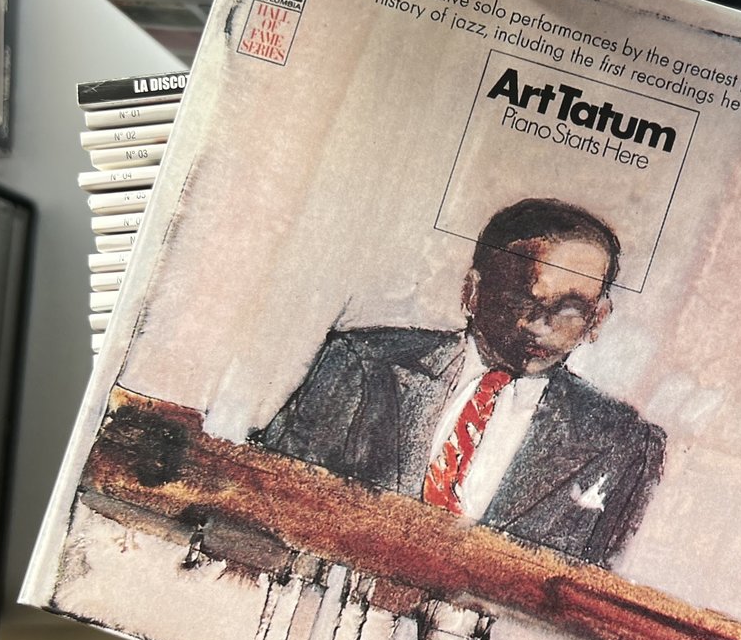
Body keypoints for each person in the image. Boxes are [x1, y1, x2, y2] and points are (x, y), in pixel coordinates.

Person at [250, 198, 666, 567]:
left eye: (570, 308)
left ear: (597, 320)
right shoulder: (363, 364)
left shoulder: (623, 443)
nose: (540, 324)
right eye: (522, 299)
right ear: (473, 292)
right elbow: (263, 500)